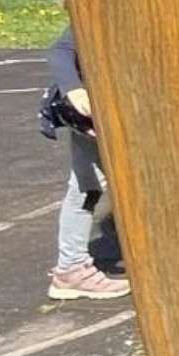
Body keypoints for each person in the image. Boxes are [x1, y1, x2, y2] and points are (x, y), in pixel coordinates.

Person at [38, 25, 129, 302]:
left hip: (129, 104)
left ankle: (72, 267)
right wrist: (75, 91)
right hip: (95, 110)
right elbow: (61, 51)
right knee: (87, 187)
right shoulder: (100, 11)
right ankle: (71, 268)